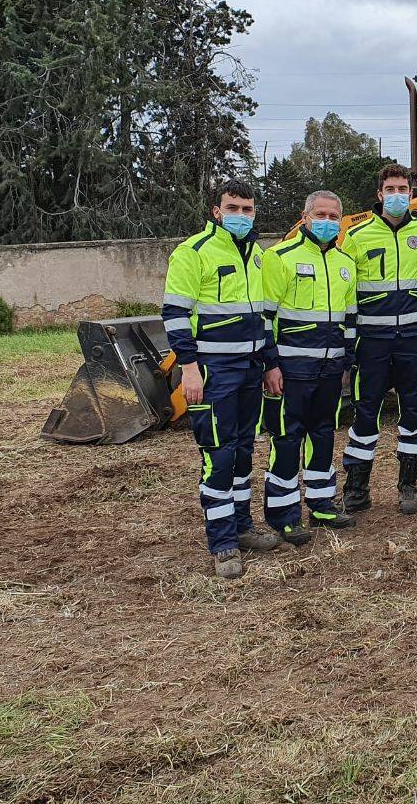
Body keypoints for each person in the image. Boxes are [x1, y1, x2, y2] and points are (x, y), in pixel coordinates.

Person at [161, 178, 280, 580]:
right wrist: (190, 368)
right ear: (217, 211)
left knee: (245, 449)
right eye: (233, 208)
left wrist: (268, 364)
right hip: (212, 371)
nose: (241, 216)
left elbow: (263, 317)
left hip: (249, 370)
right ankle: (223, 541)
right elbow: (175, 316)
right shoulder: (193, 252)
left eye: (247, 209)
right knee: (219, 454)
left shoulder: (258, 256)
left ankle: (243, 527)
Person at [260, 190, 358, 544]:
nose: (328, 221)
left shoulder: (346, 263)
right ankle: (284, 515)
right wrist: (270, 365)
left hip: (330, 371)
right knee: (286, 440)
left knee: (322, 435)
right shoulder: (279, 257)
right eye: (321, 214)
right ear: (304, 216)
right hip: (290, 370)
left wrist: (347, 362)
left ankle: (321, 503)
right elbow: (264, 318)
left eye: (334, 216)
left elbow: (350, 320)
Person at [339, 164, 417, 516]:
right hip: (373, 343)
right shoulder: (357, 236)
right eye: (391, 189)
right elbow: (345, 291)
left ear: (411, 193)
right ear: (380, 194)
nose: (398, 195)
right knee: (365, 415)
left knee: (414, 413)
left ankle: (408, 485)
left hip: (412, 342)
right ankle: (356, 488)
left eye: (404, 189)